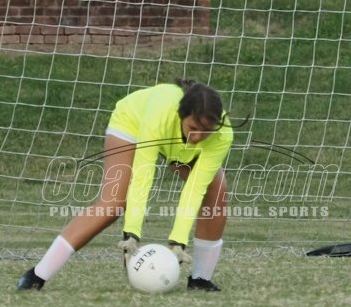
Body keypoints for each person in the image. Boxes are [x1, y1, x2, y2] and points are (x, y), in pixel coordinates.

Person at [16, 79, 234, 292]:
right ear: (181, 115)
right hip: (133, 123)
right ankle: (37, 274)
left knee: (217, 191)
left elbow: (195, 188)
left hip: (176, 144)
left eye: (206, 131)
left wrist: (179, 242)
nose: (198, 136)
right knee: (113, 204)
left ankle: (200, 279)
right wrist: (132, 235)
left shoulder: (222, 135)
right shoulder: (160, 113)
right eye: (193, 128)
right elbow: (143, 175)